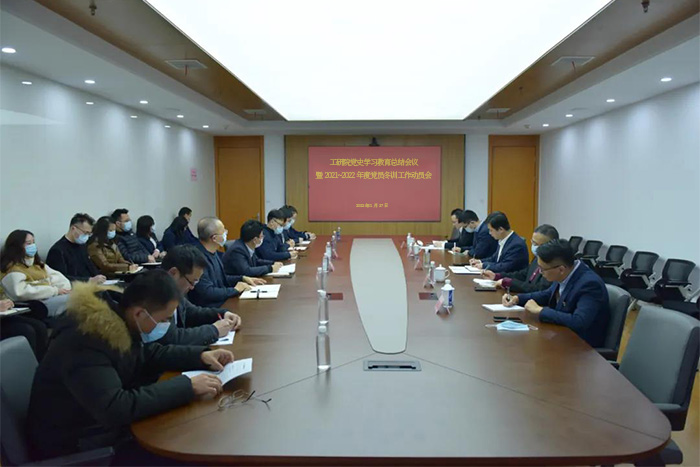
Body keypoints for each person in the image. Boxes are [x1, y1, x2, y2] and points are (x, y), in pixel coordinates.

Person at [27, 270, 234, 460]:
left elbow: (148, 354)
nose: (166, 325)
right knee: (189, 447)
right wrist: (187, 386)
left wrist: (200, 356)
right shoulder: (85, 339)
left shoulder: (119, 318)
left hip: (98, 425)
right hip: (79, 442)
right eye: (165, 319)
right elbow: (116, 407)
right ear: (140, 314)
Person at [502, 239, 610, 347]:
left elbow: (579, 321)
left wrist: (541, 310)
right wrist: (517, 298)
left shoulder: (589, 284)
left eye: (542, 269)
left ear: (561, 269)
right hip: (561, 336)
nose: (540, 272)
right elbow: (548, 294)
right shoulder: (567, 272)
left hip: (581, 346)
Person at [160, 245, 242, 346]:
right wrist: (214, 330)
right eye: (192, 282)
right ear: (173, 273)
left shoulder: (174, 289)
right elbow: (172, 338)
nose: (192, 288)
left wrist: (223, 313)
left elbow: (192, 312)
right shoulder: (154, 294)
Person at [188, 217, 263, 307]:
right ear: (214, 238)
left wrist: (242, 278)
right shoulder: (197, 258)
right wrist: (235, 290)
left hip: (222, 301)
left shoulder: (214, 252)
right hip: (211, 307)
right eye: (223, 231)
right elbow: (207, 292)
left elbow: (222, 279)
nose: (226, 233)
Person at [0, 230, 71, 317]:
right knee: (75, 300)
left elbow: (61, 280)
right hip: (32, 304)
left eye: (33, 242)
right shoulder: (12, 268)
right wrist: (54, 290)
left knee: (79, 297)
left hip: (50, 298)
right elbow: (21, 293)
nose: (33, 246)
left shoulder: (37, 264)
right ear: (17, 246)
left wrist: (55, 289)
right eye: (28, 243)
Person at [482, 224, 559, 293]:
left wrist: (510, 283)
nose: (533, 246)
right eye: (532, 242)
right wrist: (498, 276)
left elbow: (537, 289)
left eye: (536, 244)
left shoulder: (553, 266)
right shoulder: (538, 257)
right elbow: (523, 274)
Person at [46, 213, 106, 284]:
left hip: (91, 285)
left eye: (89, 234)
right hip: (74, 288)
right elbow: (61, 279)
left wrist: (99, 277)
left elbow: (90, 266)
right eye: (85, 233)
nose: (87, 236)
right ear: (73, 229)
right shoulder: (57, 250)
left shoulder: (82, 246)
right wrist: (89, 280)